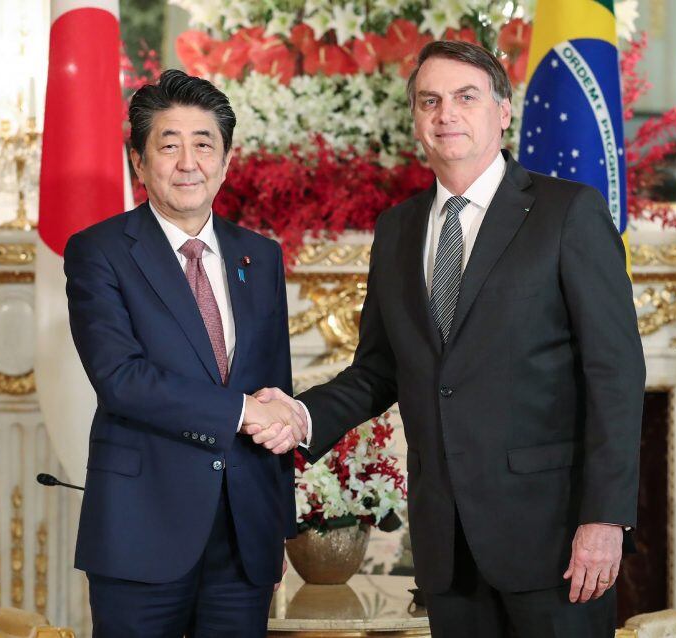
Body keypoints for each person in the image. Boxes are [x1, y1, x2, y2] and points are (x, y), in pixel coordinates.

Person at [248, 41, 645, 637]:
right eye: (429, 101)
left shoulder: (569, 214)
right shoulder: (399, 228)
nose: (446, 115)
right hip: (447, 549)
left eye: (466, 97)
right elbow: (380, 368)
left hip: (556, 541)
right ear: (416, 119)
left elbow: (615, 375)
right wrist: (302, 415)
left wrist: (605, 519)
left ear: (503, 110)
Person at [64, 69, 305, 638]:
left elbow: (274, 385)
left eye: (204, 144)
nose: (187, 162)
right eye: (168, 146)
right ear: (139, 162)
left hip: (243, 540)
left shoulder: (260, 256)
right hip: (141, 532)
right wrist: (245, 412)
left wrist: (276, 523)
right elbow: (121, 378)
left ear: (227, 160)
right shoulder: (99, 252)